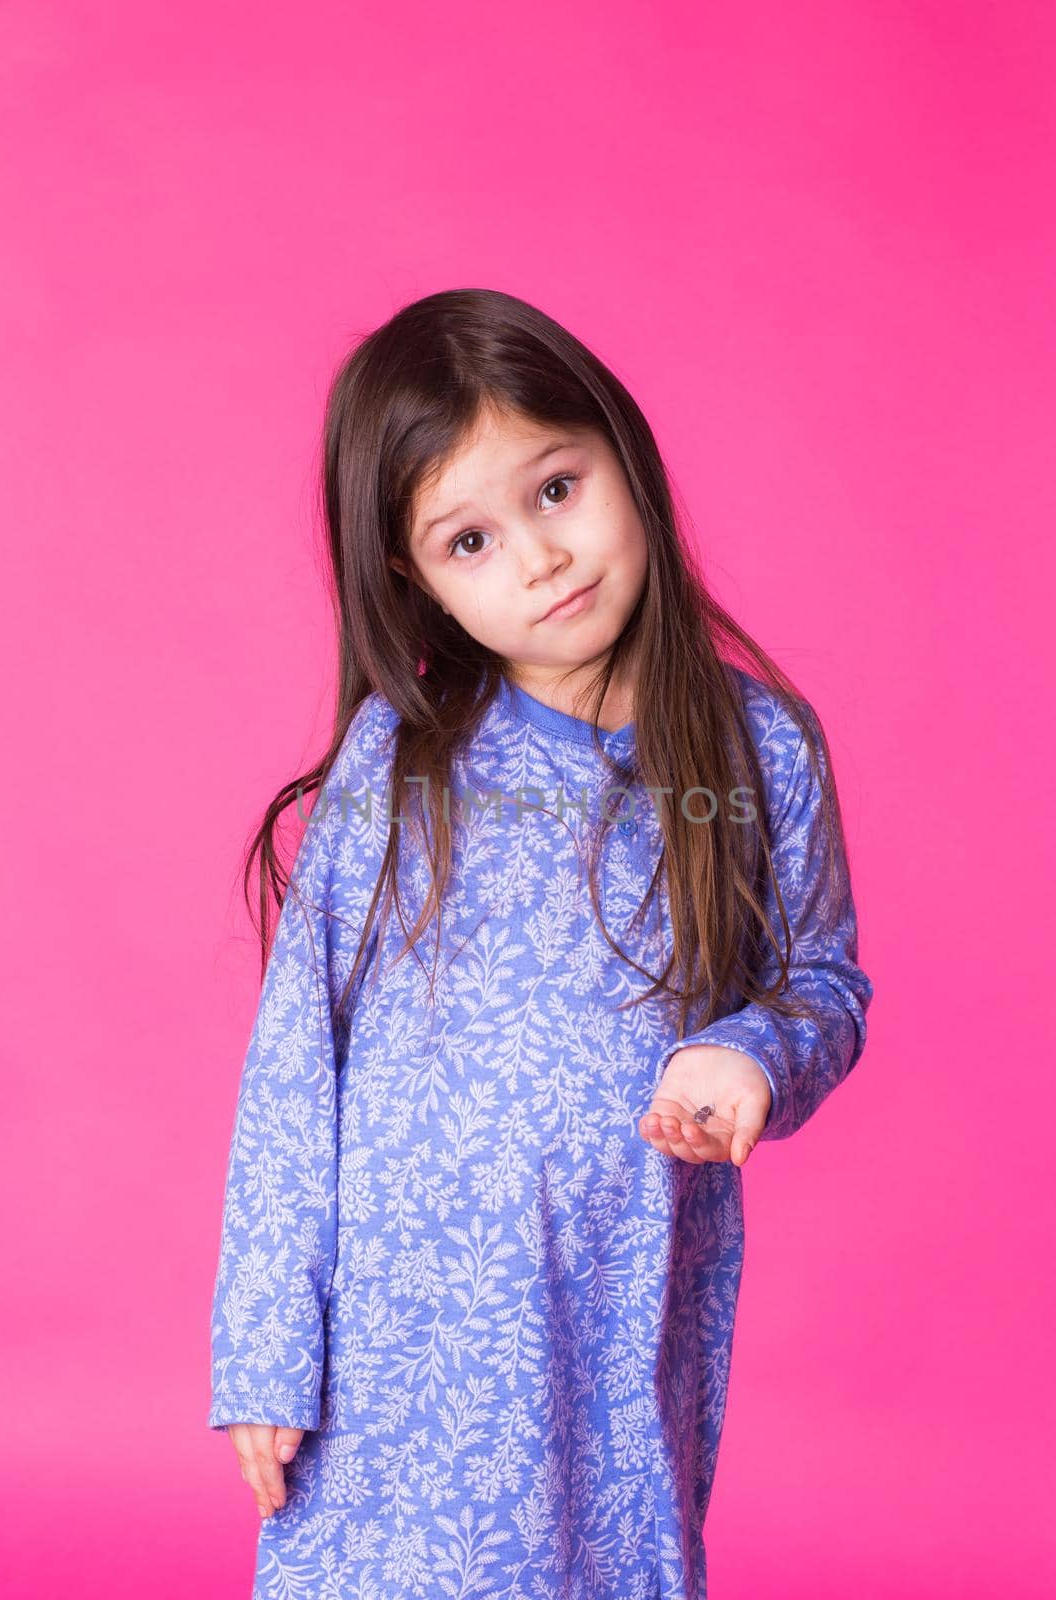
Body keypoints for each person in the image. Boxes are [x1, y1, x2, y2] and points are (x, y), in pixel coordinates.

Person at [206, 287, 874, 1600]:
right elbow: (298, 1058)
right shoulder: (402, 764)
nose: (538, 557)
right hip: (400, 1344)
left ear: (621, 450)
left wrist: (753, 1048)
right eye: (471, 539)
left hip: (616, 1315)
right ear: (417, 581)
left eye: (557, 491)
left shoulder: (760, 753)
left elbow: (824, 980)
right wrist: (266, 1341)